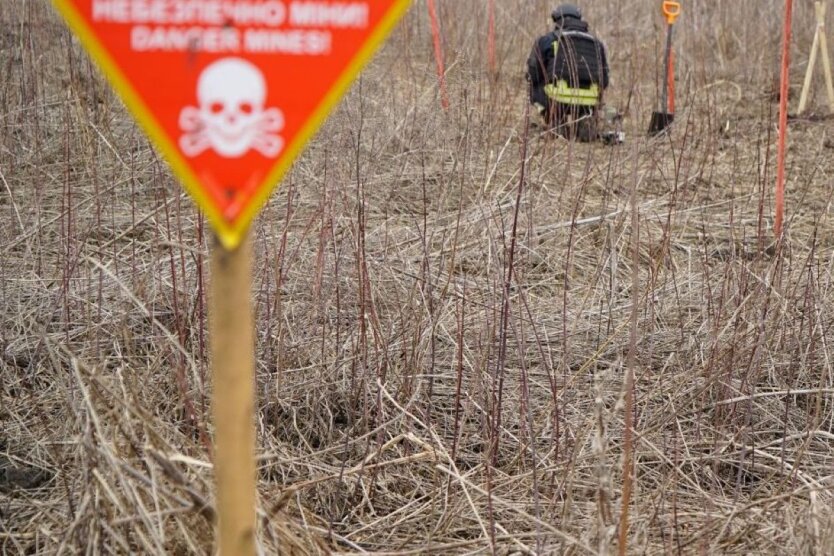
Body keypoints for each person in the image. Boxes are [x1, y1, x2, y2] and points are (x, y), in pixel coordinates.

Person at [527, 4, 610, 141]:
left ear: (557, 20)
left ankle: (555, 119)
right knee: (588, 102)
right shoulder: (597, 44)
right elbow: (604, 79)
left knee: (533, 84)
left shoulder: (548, 40)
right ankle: (585, 119)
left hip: (556, 97)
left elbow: (533, 72)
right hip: (589, 99)